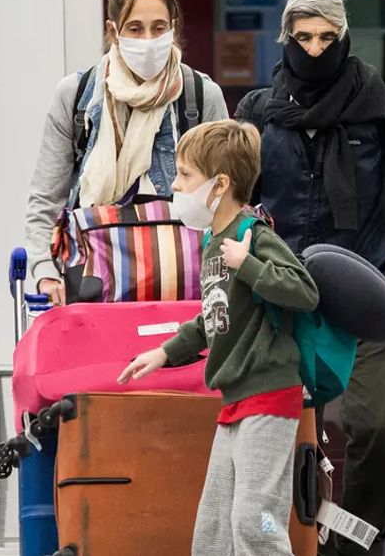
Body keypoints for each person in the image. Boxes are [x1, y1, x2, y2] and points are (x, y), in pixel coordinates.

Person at [235, 0, 385, 556]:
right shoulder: (257, 113)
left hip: (364, 291)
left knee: (372, 426)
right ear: (286, 39)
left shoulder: (381, 107)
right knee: (287, 428)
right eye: (304, 38)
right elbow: (237, 199)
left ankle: (361, 546)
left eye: (327, 38)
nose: (316, 49)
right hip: (282, 295)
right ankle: (295, 540)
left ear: (344, 39)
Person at [118, 119, 319, 555]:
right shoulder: (215, 241)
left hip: (269, 394)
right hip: (235, 398)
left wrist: (248, 264)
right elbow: (213, 315)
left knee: (256, 517)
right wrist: (165, 352)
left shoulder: (252, 235)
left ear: (220, 184)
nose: (176, 184)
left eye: (186, 175)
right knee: (213, 528)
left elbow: (304, 292)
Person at [24, 0, 229, 306]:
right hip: (98, 273)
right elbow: (46, 197)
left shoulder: (200, 96)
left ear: (174, 28)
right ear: (112, 31)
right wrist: (44, 268)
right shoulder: (76, 96)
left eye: (159, 28)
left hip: (183, 275)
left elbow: (226, 197)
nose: (148, 39)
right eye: (135, 28)